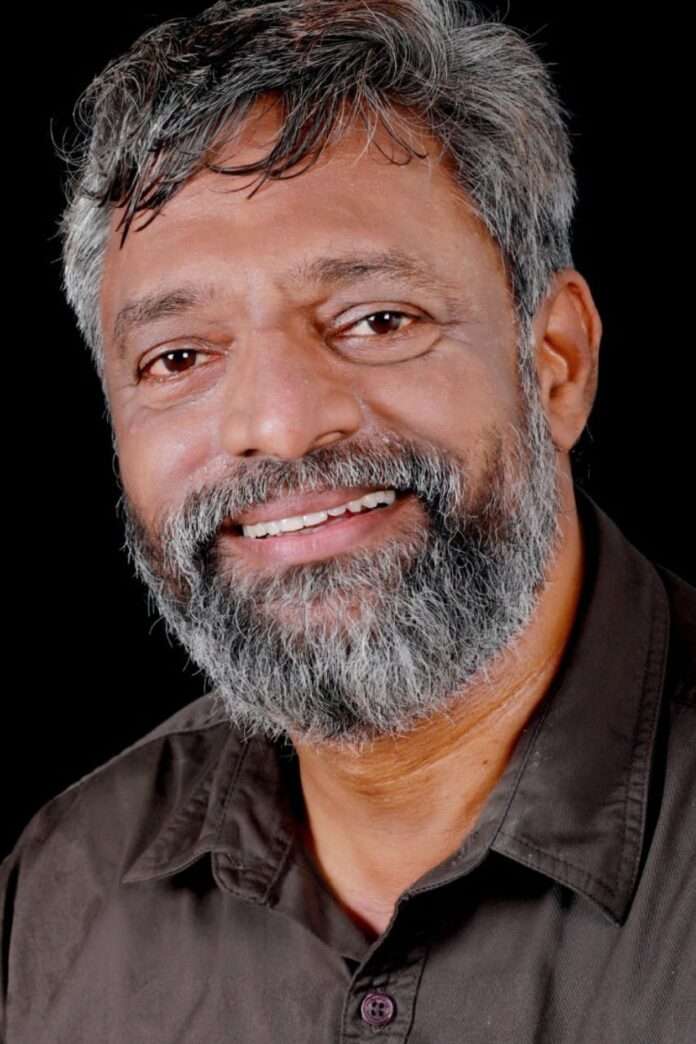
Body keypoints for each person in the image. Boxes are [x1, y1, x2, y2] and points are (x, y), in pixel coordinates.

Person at [2, 1, 694, 1041]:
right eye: (178, 357)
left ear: (555, 363)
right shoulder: (68, 890)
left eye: (376, 320)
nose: (280, 426)